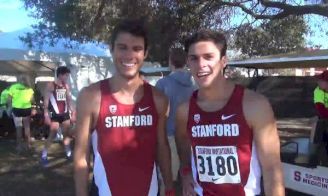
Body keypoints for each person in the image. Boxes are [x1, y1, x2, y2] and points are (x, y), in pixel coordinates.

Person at [175, 30, 285, 196]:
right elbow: (182, 140)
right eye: (194, 58)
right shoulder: (185, 110)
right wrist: (185, 171)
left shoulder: (255, 105)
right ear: (188, 63)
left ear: (223, 61)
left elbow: (272, 170)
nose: (201, 64)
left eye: (208, 57)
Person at [73, 19, 174, 196]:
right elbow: (81, 156)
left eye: (137, 49)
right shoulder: (90, 96)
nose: (129, 55)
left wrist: (170, 187)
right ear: (111, 49)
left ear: (145, 53)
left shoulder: (158, 99)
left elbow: (162, 147)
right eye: (122, 47)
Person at [155, 48, 196, 193]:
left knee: (167, 182)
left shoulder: (162, 84)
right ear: (185, 62)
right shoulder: (194, 85)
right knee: (190, 180)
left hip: (169, 137)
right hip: (190, 138)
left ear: (170, 62)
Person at [40, 66, 75, 166]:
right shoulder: (51, 85)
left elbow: (68, 99)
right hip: (55, 114)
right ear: (60, 75)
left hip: (64, 114)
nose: (67, 77)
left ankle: (68, 153)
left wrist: (73, 111)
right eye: (66, 75)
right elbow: (46, 101)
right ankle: (44, 155)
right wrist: (46, 114)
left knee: (66, 134)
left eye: (68, 75)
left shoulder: (66, 86)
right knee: (53, 134)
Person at [7, 75, 35, 152]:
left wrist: (9, 108)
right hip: (26, 109)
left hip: (16, 109)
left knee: (18, 127)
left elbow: (9, 99)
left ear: (19, 80)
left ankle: (19, 146)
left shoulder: (13, 87)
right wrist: (33, 108)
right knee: (27, 127)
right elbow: (32, 100)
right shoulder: (29, 88)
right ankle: (28, 145)